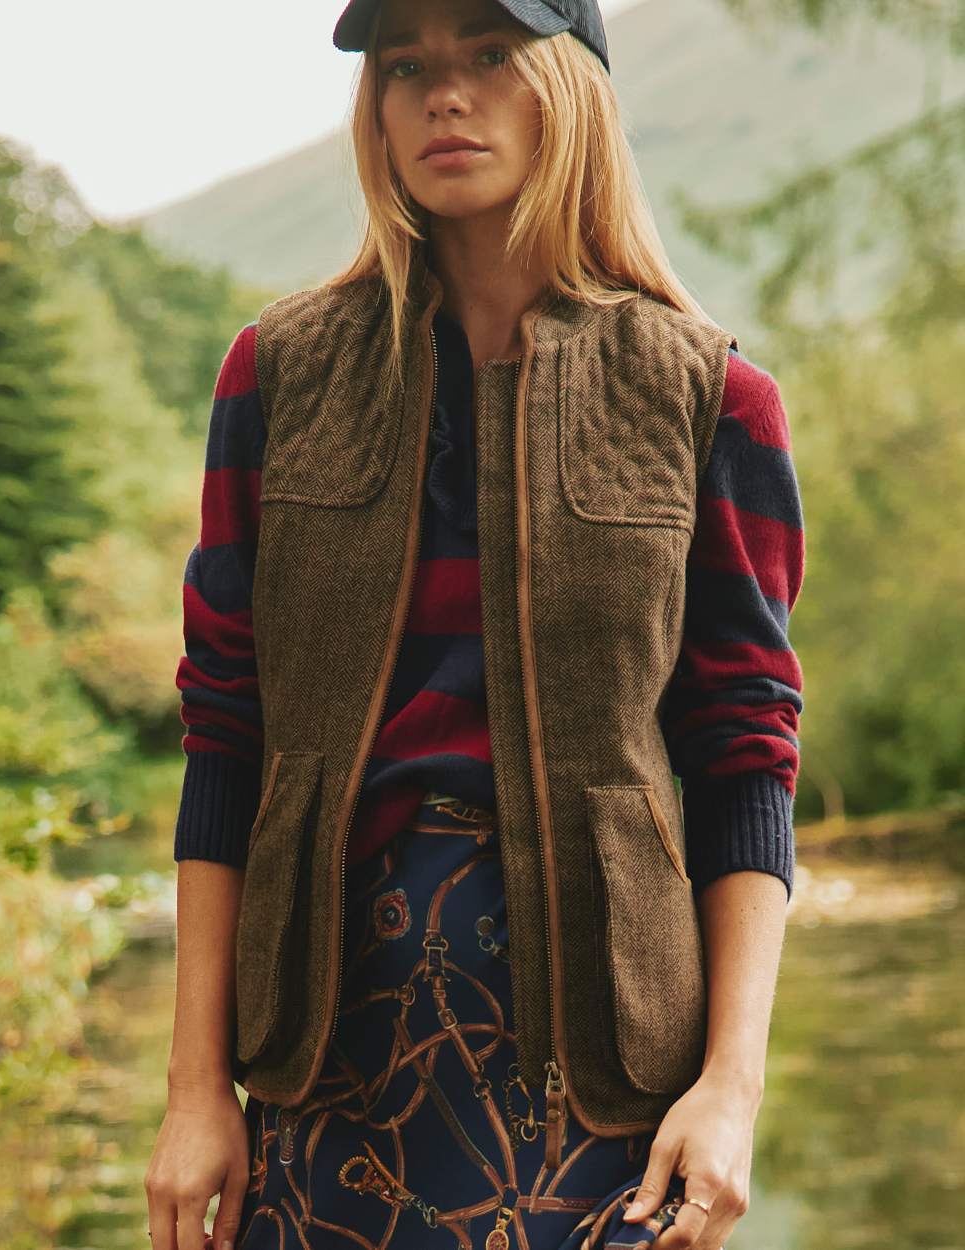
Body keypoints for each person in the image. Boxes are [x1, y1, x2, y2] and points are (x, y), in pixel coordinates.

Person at [143, 0, 805, 1247]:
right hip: (324, 1050)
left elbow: (743, 752)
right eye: (406, 67)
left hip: (600, 1068)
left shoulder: (713, 397)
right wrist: (193, 1090)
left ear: (573, 86)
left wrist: (731, 1087)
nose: (444, 95)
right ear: (374, 112)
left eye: (490, 55)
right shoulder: (276, 376)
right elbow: (226, 732)